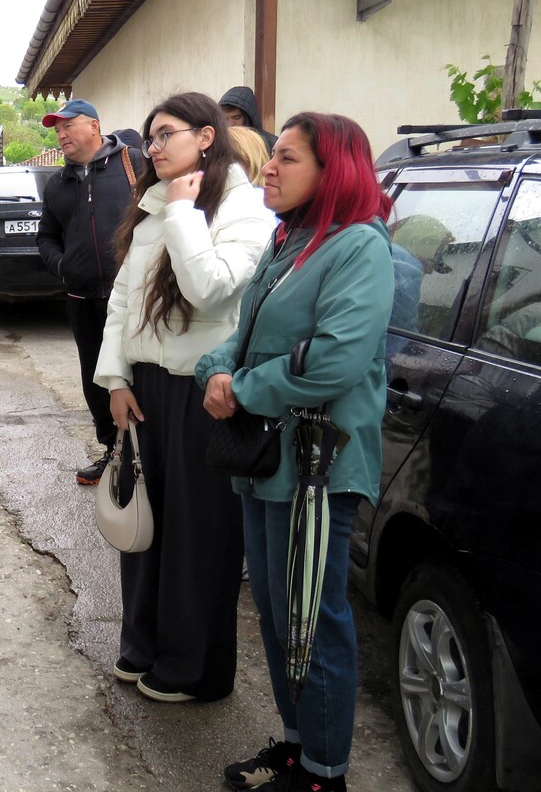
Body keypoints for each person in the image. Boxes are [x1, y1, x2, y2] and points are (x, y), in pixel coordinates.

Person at [197, 112, 395, 792]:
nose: (269, 168)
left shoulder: (358, 248)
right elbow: (247, 330)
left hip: (318, 467)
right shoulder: (292, 241)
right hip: (268, 462)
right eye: (272, 155)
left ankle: (324, 775)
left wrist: (243, 386)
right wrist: (216, 371)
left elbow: (333, 360)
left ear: (333, 170)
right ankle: (301, 744)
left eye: (288, 157)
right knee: (282, 619)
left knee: (316, 621)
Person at [93, 92, 274, 703]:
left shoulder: (240, 207)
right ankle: (142, 644)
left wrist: (183, 211)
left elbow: (211, 291)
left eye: (166, 133)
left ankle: (191, 668)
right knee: (144, 518)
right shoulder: (152, 207)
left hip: (204, 394)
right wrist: (116, 380)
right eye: (150, 137)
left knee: (199, 537)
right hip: (145, 390)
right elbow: (122, 301)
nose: (155, 145)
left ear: (206, 136)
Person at [37, 99, 140, 485]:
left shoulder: (132, 165)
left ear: (94, 126)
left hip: (131, 295)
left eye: (68, 125)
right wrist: (64, 265)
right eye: (56, 129)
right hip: (82, 298)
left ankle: (145, 453)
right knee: (96, 378)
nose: (61, 134)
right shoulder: (58, 184)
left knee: (137, 374)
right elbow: (46, 237)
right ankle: (112, 453)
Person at [219, 85, 279, 151]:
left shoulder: (272, 144)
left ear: (248, 118)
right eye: (225, 119)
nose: (230, 124)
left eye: (236, 117)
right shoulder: (216, 143)